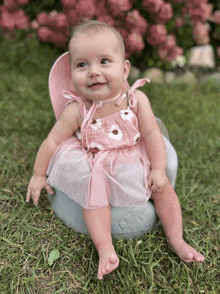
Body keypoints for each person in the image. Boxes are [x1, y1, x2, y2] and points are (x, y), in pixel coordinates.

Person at [27, 20, 204, 280]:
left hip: (132, 153)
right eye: (81, 65)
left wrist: (157, 168)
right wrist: (39, 174)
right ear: (71, 73)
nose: (93, 72)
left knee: (163, 188)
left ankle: (176, 238)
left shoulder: (135, 100)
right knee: (93, 196)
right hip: (95, 160)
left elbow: (151, 133)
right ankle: (105, 247)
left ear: (124, 70)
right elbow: (52, 142)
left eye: (104, 62)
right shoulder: (77, 110)